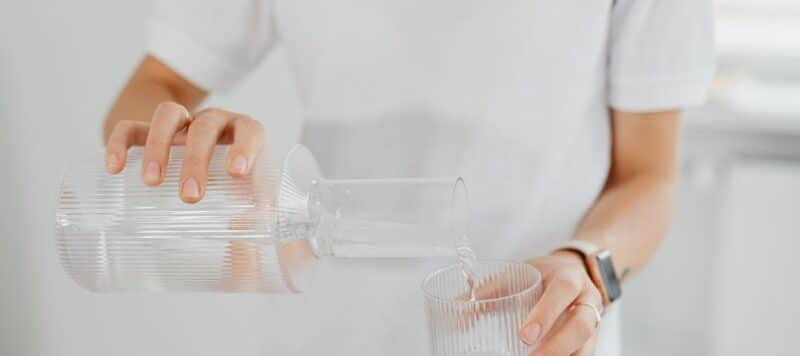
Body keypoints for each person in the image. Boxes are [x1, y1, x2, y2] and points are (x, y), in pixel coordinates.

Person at [101, 1, 714, 355]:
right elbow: (151, 90)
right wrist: (184, 151)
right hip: (327, 335)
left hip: (539, 340)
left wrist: (586, 264)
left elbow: (648, 177)